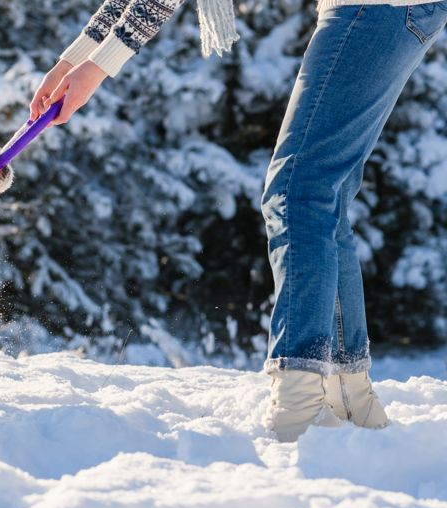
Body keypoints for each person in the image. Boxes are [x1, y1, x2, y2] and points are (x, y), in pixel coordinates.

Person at [31, 0, 447, 442]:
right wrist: (74, 60)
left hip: (375, 9)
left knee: (297, 189)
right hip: (383, 11)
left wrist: (95, 68)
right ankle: (348, 396)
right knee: (323, 194)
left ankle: (299, 403)